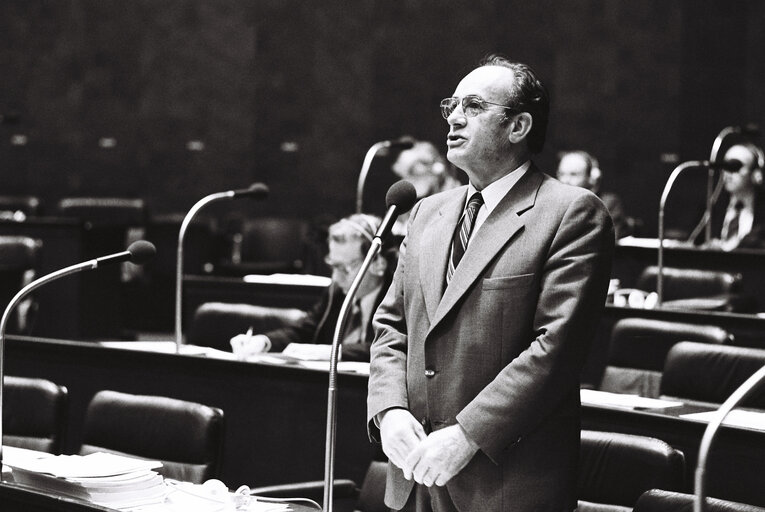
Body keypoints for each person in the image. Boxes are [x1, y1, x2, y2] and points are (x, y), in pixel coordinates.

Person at [367, 55, 614, 511]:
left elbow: (554, 350)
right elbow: (391, 326)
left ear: (518, 126)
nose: (455, 117)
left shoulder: (570, 213)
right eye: (452, 105)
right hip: (416, 474)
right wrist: (390, 411)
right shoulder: (425, 212)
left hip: (504, 483)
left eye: (475, 106)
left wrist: (467, 435)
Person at [230, 213, 395, 362]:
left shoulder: (397, 299)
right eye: (333, 266)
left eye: (345, 268)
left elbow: (388, 347)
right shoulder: (335, 292)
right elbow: (304, 331)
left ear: (377, 263)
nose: (336, 278)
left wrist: (331, 352)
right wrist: (263, 342)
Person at [391, 140, 462, 235]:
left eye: (413, 172)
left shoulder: (454, 193)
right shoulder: (408, 200)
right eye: (406, 175)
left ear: (435, 168)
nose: (408, 180)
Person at [556, 150, 631, 239]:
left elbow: (608, 241)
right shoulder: (552, 203)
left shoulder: (609, 203)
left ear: (591, 178)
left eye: (574, 174)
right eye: (561, 174)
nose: (565, 181)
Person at [707, 142, 765, 251]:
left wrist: (731, 247)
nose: (728, 173)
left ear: (756, 174)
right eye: (726, 166)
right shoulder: (713, 207)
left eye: (735, 167)